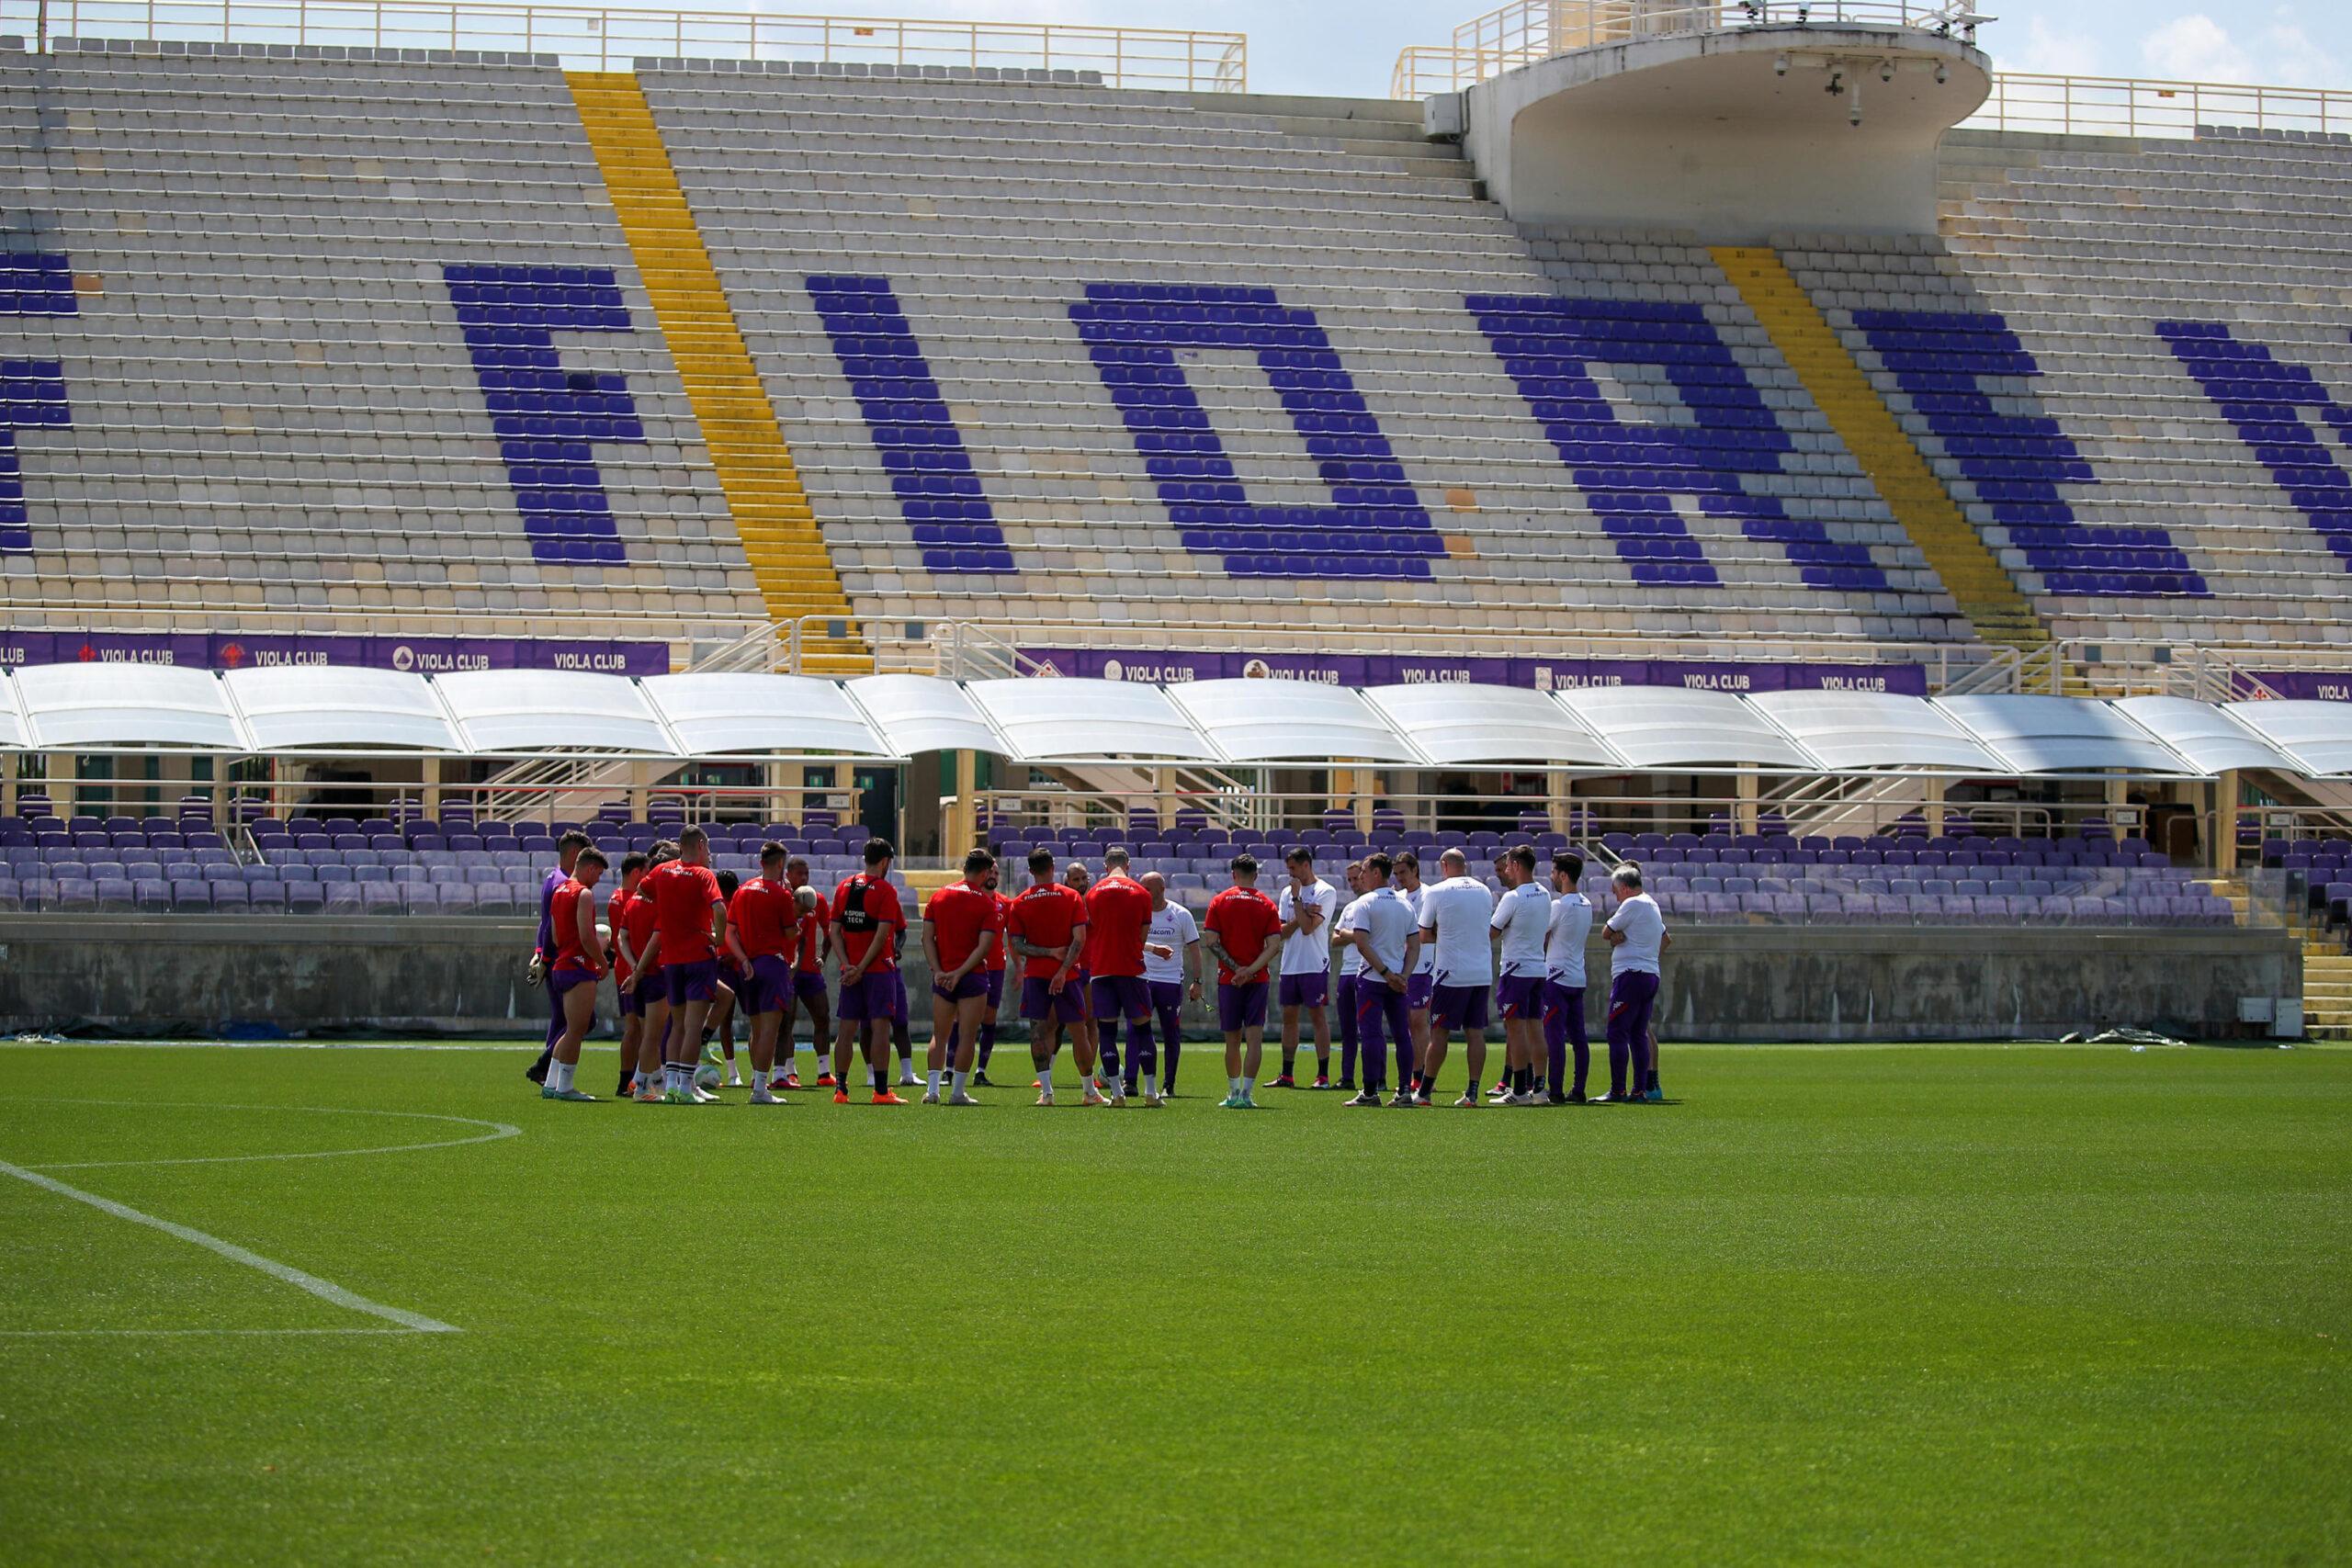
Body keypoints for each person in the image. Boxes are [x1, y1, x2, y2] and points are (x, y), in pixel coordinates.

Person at [634, 827, 730, 1105]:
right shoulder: (703, 874)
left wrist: (669, 908)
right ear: (700, 845)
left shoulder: (663, 870)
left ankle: (674, 1086)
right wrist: (719, 938)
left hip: (671, 958)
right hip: (698, 956)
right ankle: (687, 1088)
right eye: (708, 849)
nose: (708, 855)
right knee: (693, 1026)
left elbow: (643, 888)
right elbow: (720, 909)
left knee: (676, 1025)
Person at [1005, 848, 1092, 1106]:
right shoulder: (1071, 897)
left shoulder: (1019, 902)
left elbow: (1018, 945)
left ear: (1030, 870)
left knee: (1038, 1032)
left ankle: (1046, 1092)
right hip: (1069, 976)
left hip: (1036, 975)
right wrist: (1063, 971)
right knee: (1080, 1032)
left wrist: (1047, 952)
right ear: (1053, 866)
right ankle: (1088, 1091)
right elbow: (1080, 939)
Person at [830, 838, 908, 1105]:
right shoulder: (885, 890)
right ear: (885, 862)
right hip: (877, 970)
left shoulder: (844, 886)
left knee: (846, 1029)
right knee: (879, 1028)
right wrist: (862, 967)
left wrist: (847, 964)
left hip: (850, 970)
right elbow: (882, 934)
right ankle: (881, 1092)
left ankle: (840, 1090)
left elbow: (834, 931)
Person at [922, 849, 1002, 1105]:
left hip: (943, 975)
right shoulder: (985, 903)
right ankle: (957, 1093)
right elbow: (984, 947)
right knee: (968, 1035)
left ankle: (933, 1091)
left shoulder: (940, 896)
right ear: (985, 872)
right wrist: (959, 973)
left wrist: (939, 971)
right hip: (972, 976)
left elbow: (926, 938)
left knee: (940, 1035)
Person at [1201, 853, 1282, 1109]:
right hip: (1258, 979)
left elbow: (1211, 941)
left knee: (1232, 1039)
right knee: (1254, 1037)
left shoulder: (1219, 901)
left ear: (1233, 874)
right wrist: (1251, 970)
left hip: (1229, 979)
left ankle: (1233, 1093)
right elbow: (1274, 946)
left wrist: (1237, 969)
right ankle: (1247, 1095)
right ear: (1255, 875)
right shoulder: (1267, 904)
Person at [724, 842, 802, 1107]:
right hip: (772, 964)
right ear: (780, 864)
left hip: (748, 966)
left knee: (756, 1029)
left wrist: (743, 959)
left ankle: (757, 1083)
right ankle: (759, 1088)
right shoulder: (781, 895)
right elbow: (791, 933)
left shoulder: (742, 891)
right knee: (770, 1030)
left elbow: (730, 933)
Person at [1417, 849, 1495, 1107]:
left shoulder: (1437, 891)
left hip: (1451, 972)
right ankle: (1472, 1092)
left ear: (1444, 865)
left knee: (1439, 1033)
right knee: (1476, 1032)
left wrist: (1447, 935)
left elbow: (1424, 933)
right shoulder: (1484, 890)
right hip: (1481, 971)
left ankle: (1425, 1091)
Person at [1341, 852, 1419, 1108]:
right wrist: (1403, 976)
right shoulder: (1404, 903)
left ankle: (1371, 1091)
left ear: (1376, 873)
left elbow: (1362, 943)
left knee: (1372, 1034)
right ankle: (1405, 1090)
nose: (1361, 876)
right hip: (1398, 979)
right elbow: (1415, 946)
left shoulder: (1365, 903)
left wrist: (1384, 973)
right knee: (1402, 1034)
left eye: (1364, 871)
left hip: (1372, 978)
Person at [1084, 848, 1159, 1107]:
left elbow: (1090, 931)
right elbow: (1142, 937)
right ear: (1128, 865)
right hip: (1133, 970)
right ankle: (1150, 1093)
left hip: (1102, 970)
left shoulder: (1092, 894)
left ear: (1106, 866)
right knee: (1143, 1028)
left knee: (1106, 1030)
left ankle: (1117, 1094)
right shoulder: (1141, 893)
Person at [525, 829, 594, 1087]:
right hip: (563, 960)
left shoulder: (552, 879)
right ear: (575, 854)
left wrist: (539, 953)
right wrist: (543, 958)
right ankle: (546, 1065)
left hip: (553, 958)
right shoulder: (563, 885)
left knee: (563, 1018)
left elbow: (545, 924)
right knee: (577, 1019)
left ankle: (548, 1070)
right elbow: (552, 926)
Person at [539, 847, 609, 1100]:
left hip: (562, 965)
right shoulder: (584, 893)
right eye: (598, 873)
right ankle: (565, 1087)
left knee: (570, 1029)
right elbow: (587, 935)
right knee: (577, 1030)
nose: (598, 879)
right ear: (590, 868)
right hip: (579, 965)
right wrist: (601, 961)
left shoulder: (559, 891)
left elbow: (555, 934)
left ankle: (551, 1082)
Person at [1600, 863, 1669, 1104]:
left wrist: (1616, 937)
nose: (1615, 896)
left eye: (1616, 890)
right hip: (1650, 973)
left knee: (1617, 1031)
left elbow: (1606, 931)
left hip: (1631, 974)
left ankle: (1617, 1089)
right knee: (1639, 1033)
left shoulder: (1632, 904)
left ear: (1626, 888)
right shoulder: (1652, 904)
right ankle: (1639, 1090)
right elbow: (1664, 939)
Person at [1489, 844, 1551, 1106]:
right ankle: (1538, 1088)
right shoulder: (1545, 893)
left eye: (1508, 866)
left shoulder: (1513, 897)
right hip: (1538, 967)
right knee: (1536, 1029)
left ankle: (1518, 1090)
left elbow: (1491, 931)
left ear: (1515, 865)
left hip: (1516, 970)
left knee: (1515, 1031)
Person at [1272, 848, 1340, 1089]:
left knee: (1317, 1016)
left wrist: (1299, 902)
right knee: (1289, 1018)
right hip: (1290, 964)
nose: (1290, 873)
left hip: (1314, 963)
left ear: (1306, 866)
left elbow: (1309, 928)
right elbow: (1282, 931)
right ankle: (1287, 1074)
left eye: (1293, 868)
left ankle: (1322, 1076)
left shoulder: (1325, 891)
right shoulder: (1286, 893)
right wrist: (1300, 909)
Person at [772, 855, 832, 1091]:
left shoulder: (816, 900)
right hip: (788, 970)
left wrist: (822, 958)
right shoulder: (784, 901)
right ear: (788, 874)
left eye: (806, 873)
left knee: (823, 1016)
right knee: (787, 1022)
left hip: (808, 971)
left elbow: (828, 931)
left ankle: (824, 1071)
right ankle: (789, 1071)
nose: (804, 877)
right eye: (799, 873)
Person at [1139, 871, 1200, 1097]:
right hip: (1142, 980)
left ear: (1161, 889)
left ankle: (1169, 1085)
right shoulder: (1138, 913)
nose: (1143, 892)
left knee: (1170, 1032)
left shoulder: (1180, 914)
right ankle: (1131, 1083)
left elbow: (1195, 949)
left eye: (1148, 888)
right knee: (1138, 1030)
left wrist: (1198, 981)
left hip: (1170, 981)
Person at [618, 845, 672, 1102]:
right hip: (654, 974)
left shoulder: (633, 902)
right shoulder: (660, 905)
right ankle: (641, 1086)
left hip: (637, 975)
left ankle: (654, 1082)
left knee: (645, 1032)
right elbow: (656, 940)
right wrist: (639, 970)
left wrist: (632, 966)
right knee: (653, 1035)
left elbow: (622, 936)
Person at [1543, 852, 1594, 1104]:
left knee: (1554, 1037)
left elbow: (1541, 934)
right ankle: (1579, 1088)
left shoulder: (1558, 905)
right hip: (1577, 975)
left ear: (1563, 875)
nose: (1551, 876)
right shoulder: (1586, 903)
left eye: (1554, 872)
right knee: (1579, 1037)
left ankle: (1555, 1090)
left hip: (1556, 977)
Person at [607, 850, 650, 1100]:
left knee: (636, 1027)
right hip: (632, 969)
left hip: (627, 967)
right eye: (645, 872)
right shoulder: (629, 899)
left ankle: (631, 1079)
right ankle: (630, 1080)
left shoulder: (616, 897)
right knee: (637, 1027)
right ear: (636, 873)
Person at [1062, 862, 1107, 1092]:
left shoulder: (1094, 902)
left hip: (1091, 969)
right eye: (1076, 879)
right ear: (1067, 880)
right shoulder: (1064, 902)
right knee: (1056, 1024)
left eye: (1083, 878)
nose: (1081, 883)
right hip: (1069, 968)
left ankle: (1088, 1075)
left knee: (1091, 1023)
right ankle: (1045, 1075)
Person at [1396, 852, 1435, 1084]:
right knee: (1408, 1021)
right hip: (1401, 963)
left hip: (1423, 964)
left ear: (1415, 870)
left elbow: (1427, 931)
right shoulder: (1397, 897)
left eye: (1403, 872)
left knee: (1419, 1019)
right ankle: (1415, 1071)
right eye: (1397, 873)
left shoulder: (1429, 895)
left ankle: (1422, 1075)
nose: (1400, 877)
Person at [1329, 861, 1368, 1091]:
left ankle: (1376, 1077)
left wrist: (1349, 935)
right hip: (1347, 972)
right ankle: (1347, 1077)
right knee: (1347, 1028)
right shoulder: (1350, 908)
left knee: (1370, 1028)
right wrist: (1357, 936)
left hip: (1367, 970)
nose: (1353, 884)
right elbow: (1334, 939)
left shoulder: (1374, 904)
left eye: (1356, 878)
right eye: (1350, 880)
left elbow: (1374, 937)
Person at [707, 868, 744, 1089]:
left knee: (756, 1021)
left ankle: (758, 1073)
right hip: (724, 967)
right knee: (726, 1020)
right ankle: (733, 1072)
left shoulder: (740, 904)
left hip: (742, 965)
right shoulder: (715, 907)